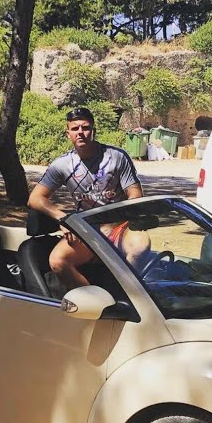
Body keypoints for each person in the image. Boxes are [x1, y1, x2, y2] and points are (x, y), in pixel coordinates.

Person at [28, 107, 149, 290]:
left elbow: (135, 193)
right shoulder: (62, 164)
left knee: (140, 247)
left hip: (120, 227)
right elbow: (35, 198)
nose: (80, 132)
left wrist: (125, 216)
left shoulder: (116, 157)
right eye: (75, 129)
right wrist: (64, 218)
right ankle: (94, 299)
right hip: (86, 230)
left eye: (85, 128)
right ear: (68, 134)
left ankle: (129, 296)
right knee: (58, 261)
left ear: (93, 130)